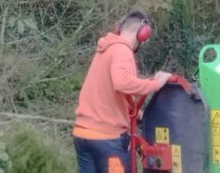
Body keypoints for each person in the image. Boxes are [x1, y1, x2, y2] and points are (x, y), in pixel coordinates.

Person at [73, 11, 172, 173]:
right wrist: (156, 83)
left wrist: (134, 112)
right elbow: (122, 83)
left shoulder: (105, 50)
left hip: (82, 134)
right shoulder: (122, 50)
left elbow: (109, 92)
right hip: (106, 139)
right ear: (142, 34)